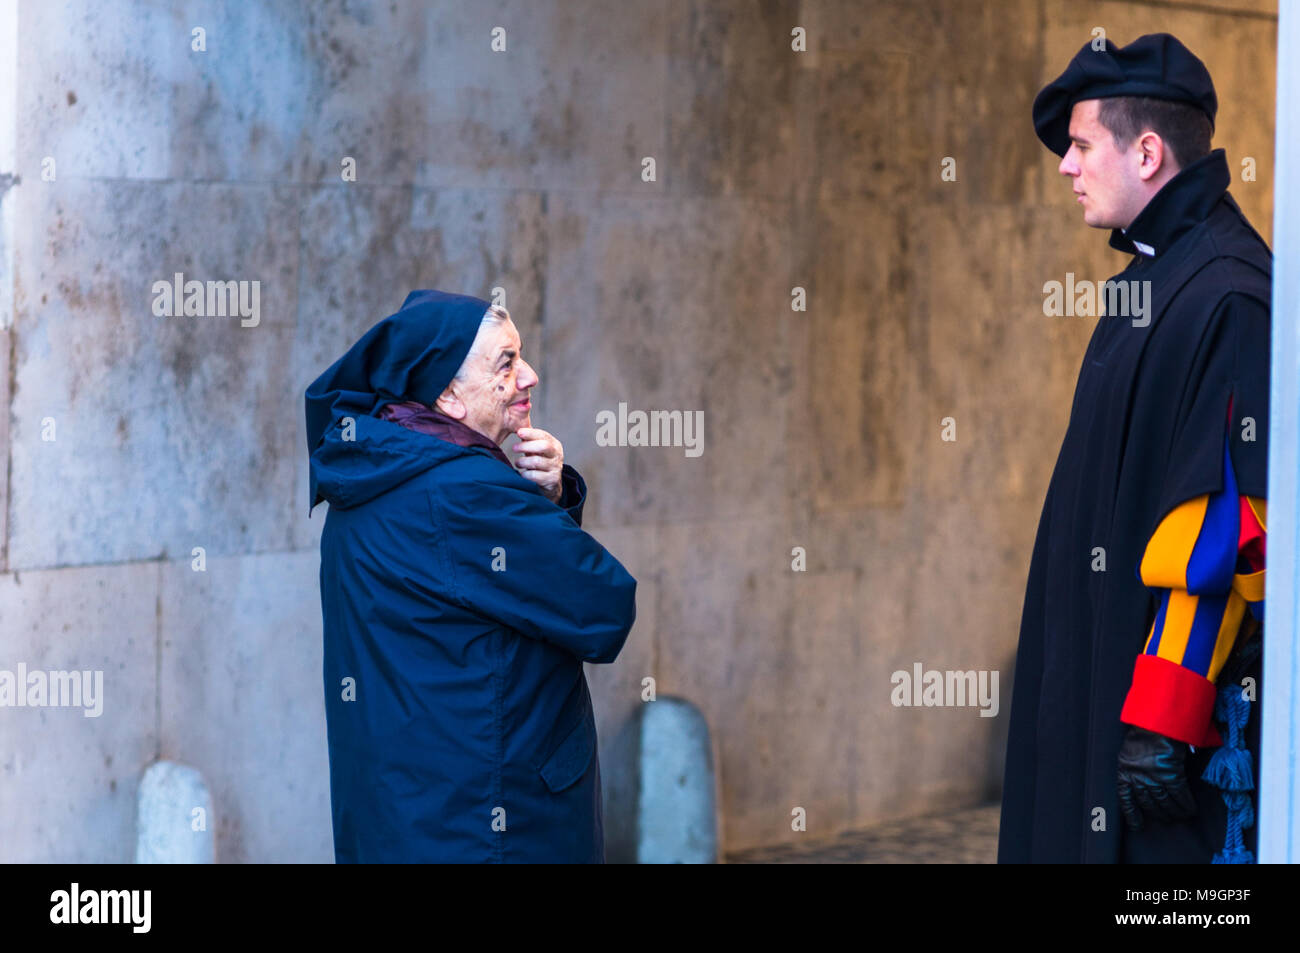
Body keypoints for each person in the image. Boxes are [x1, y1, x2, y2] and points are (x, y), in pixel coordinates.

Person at [999, 34, 1270, 863]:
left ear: (1147, 152)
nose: (1065, 167)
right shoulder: (1156, 278)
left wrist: (1161, 715)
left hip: (1161, 731)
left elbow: (1225, 523)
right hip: (1096, 674)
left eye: (1080, 145)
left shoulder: (1228, 294)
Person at [304, 289, 637, 863]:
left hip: (406, 818)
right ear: (446, 396)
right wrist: (545, 505)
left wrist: (547, 499)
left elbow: (497, 591)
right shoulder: (469, 495)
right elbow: (603, 606)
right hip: (494, 826)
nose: (529, 376)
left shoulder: (369, 473)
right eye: (506, 363)